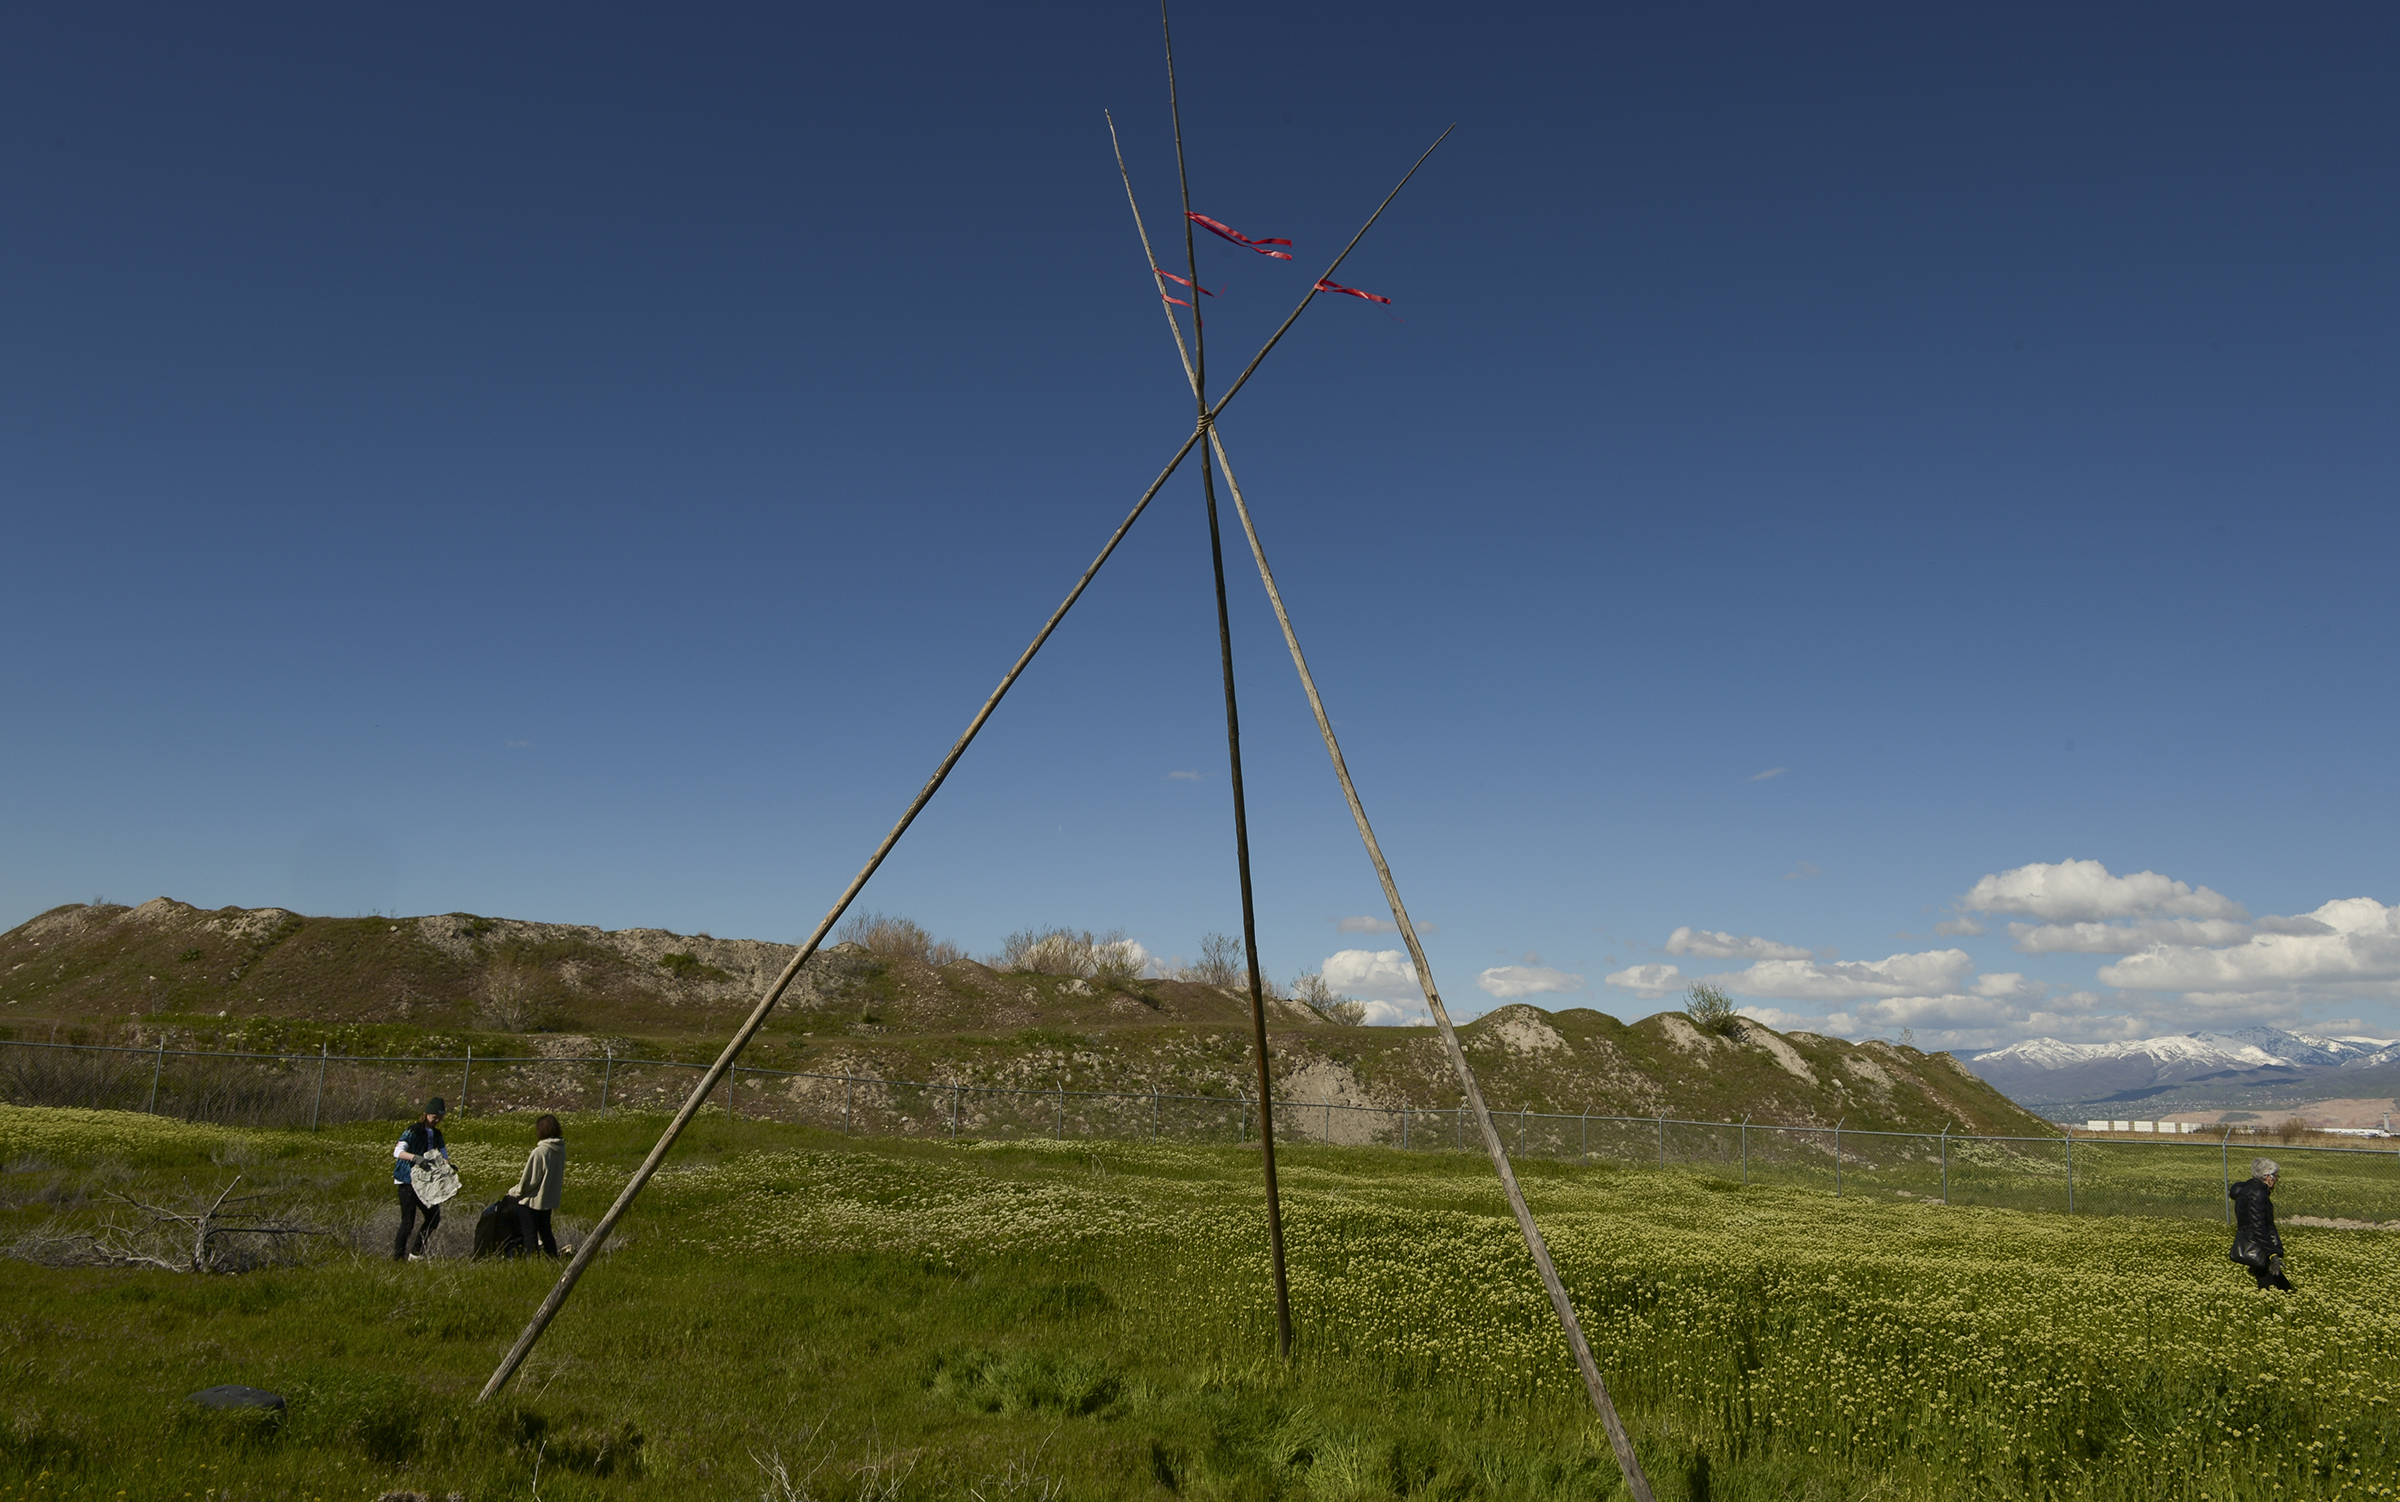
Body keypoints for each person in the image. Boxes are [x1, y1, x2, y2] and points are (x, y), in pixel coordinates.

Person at [504, 1114, 566, 1258]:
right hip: (548, 1199)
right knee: (546, 1231)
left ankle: (532, 1261)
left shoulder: (539, 1152)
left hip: (532, 1200)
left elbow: (530, 1181)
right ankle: (552, 1258)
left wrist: (514, 1191)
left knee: (530, 1233)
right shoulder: (560, 1150)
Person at [393, 1098, 447, 1261]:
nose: (436, 1120)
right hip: (407, 1181)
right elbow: (398, 1152)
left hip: (426, 1183)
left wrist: (447, 1166)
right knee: (408, 1222)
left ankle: (416, 1253)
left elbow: (443, 1155)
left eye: (439, 1117)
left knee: (433, 1218)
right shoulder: (414, 1130)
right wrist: (415, 1158)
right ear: (426, 1114)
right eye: (434, 1117)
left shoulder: (437, 1134)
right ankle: (398, 1258)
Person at [2228, 1156, 2292, 1292]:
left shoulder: (2247, 1189)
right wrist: (2272, 1254)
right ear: (2268, 1177)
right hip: (2259, 1249)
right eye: (2276, 1176)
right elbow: (2258, 1227)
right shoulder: (2258, 1193)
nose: (2276, 1180)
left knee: (2281, 1288)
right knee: (2276, 1290)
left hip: (2255, 1244)